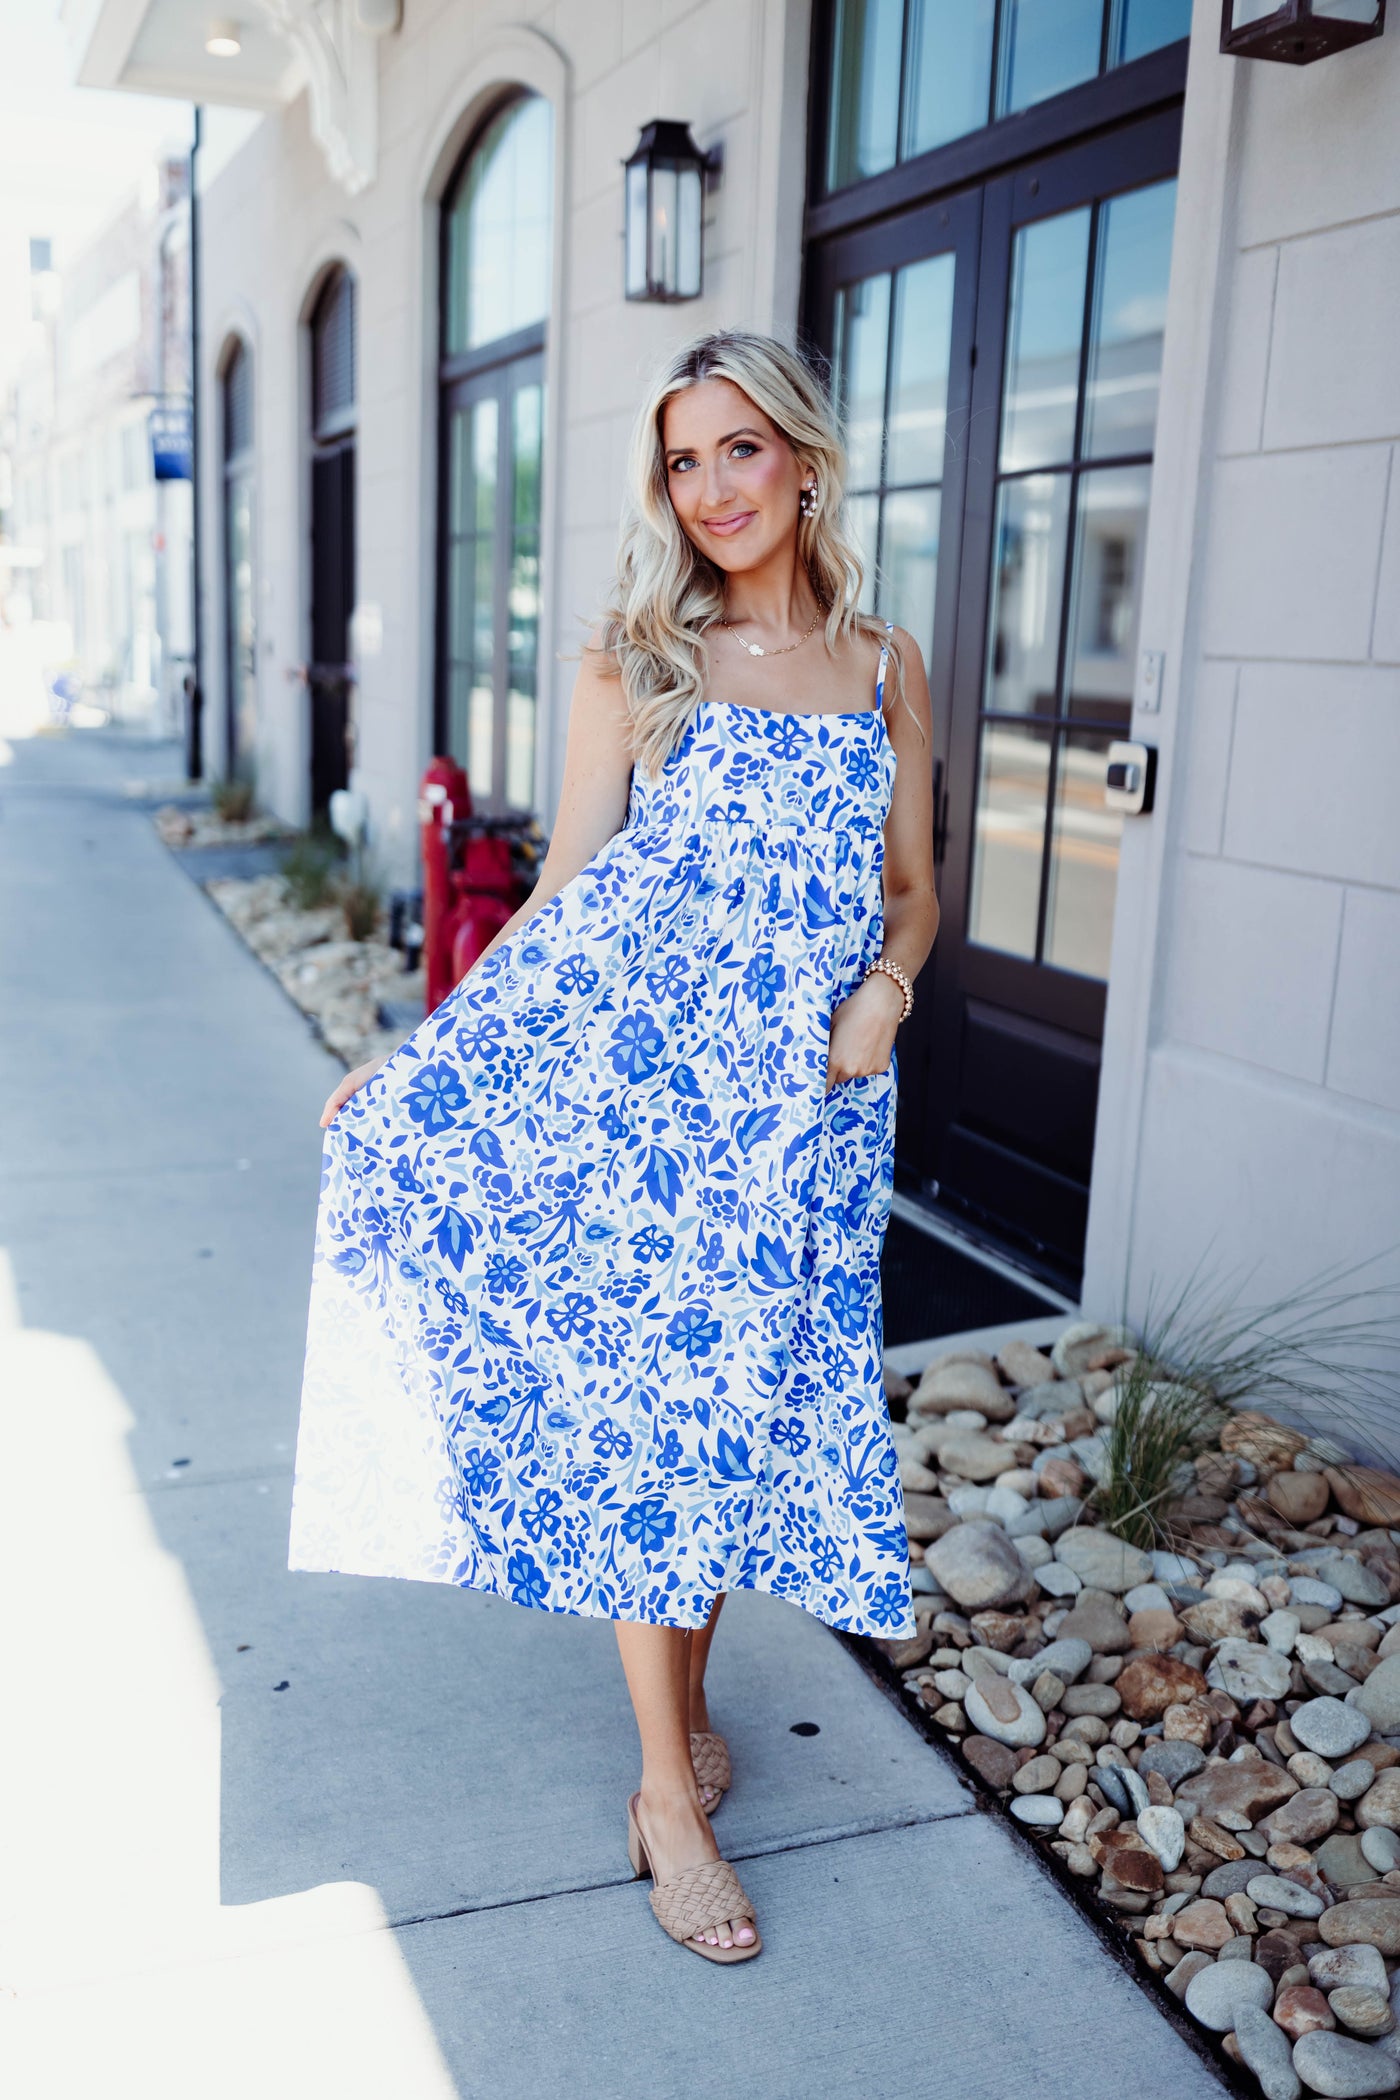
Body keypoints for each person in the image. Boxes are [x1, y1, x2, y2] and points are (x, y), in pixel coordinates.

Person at [288, 328, 940, 1965]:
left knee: (736, 1424)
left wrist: (889, 983)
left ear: (802, 455)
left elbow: (916, 885)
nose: (709, 488)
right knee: (663, 1429)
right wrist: (424, 1057)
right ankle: (666, 1795)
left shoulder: (883, 666)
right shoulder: (634, 656)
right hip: (652, 1110)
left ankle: (689, 1707)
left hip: (811, 1116)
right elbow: (567, 887)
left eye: (737, 450)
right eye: (681, 459)